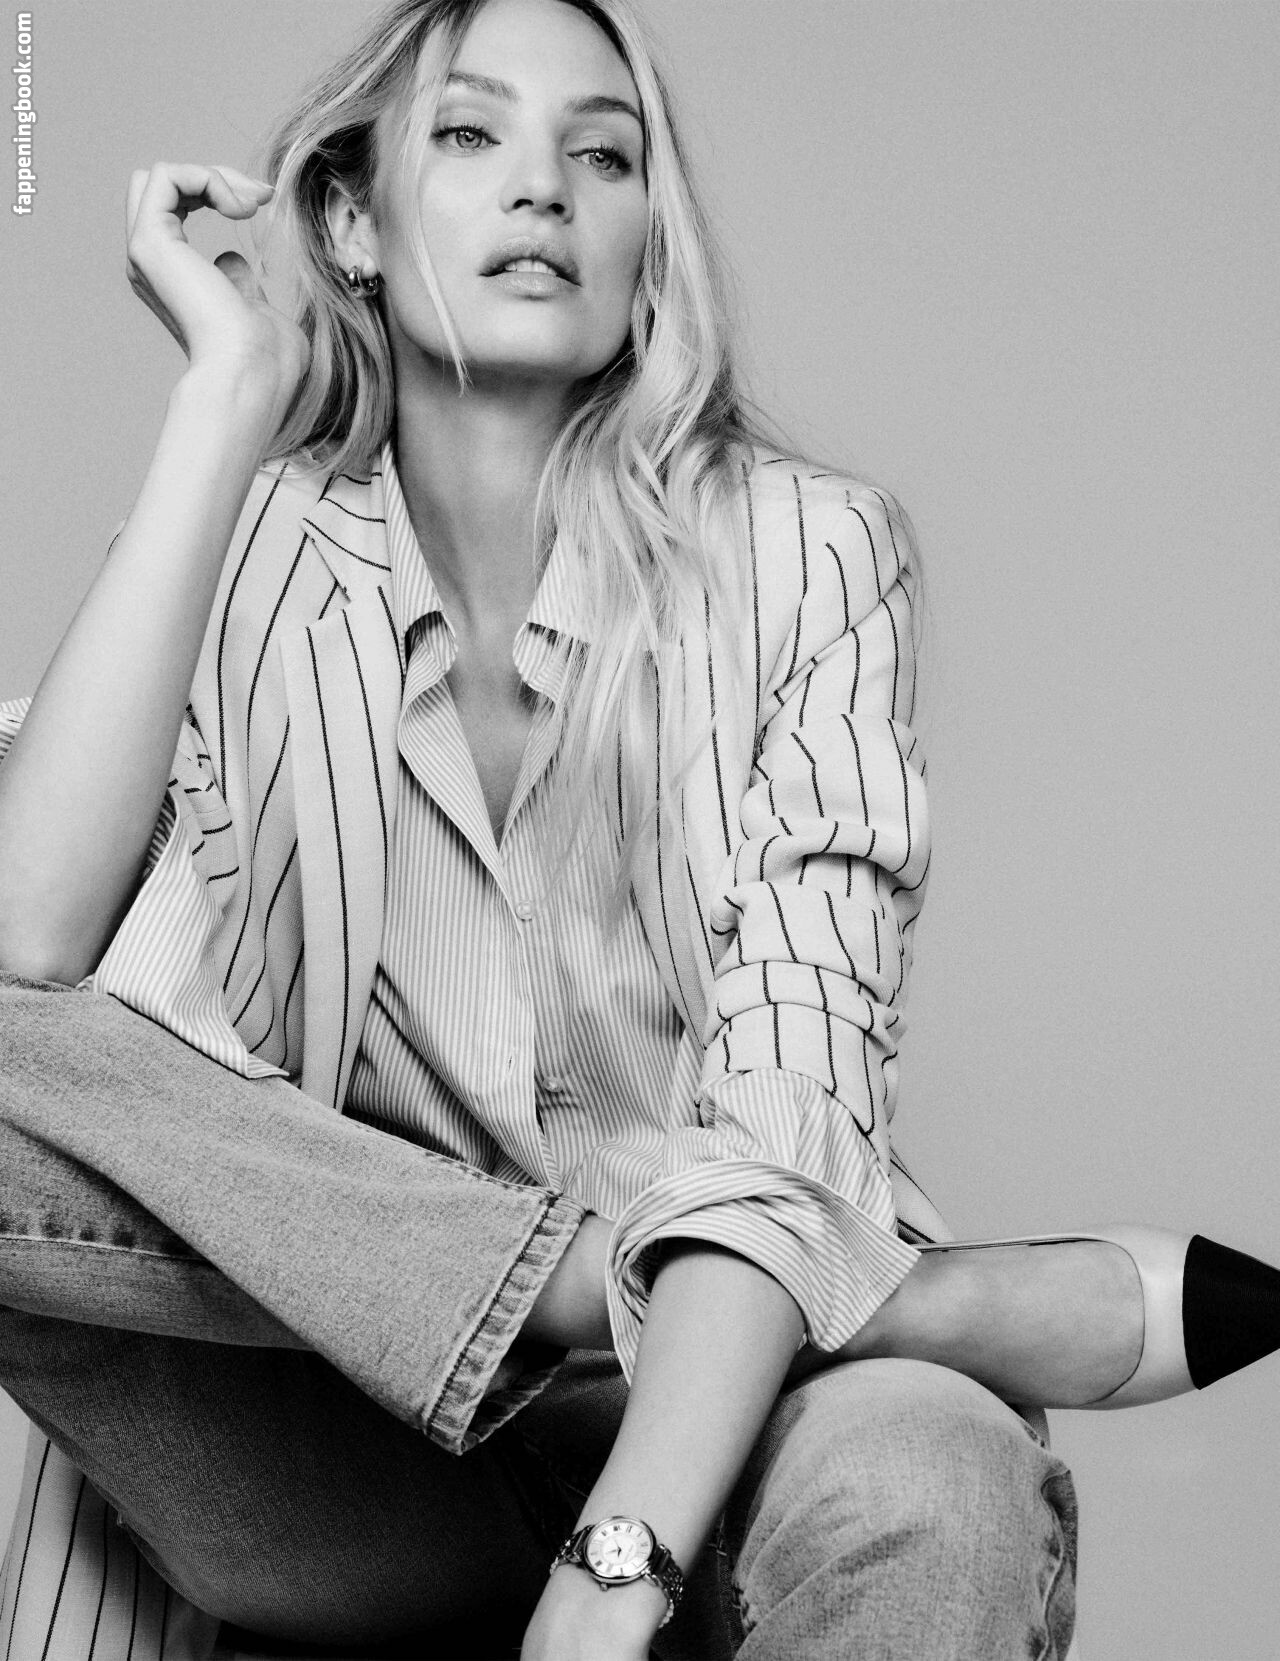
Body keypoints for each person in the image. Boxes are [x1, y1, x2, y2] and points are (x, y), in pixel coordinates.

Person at [2, 1, 1276, 1656]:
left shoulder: (808, 557)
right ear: (351, 222)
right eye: (471, 134)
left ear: (644, 244)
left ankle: (717, 1303)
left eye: (602, 156)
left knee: (937, 1476)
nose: (543, 186)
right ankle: (760, 1288)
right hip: (340, 1442)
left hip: (753, 1400)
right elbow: (27, 952)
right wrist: (226, 397)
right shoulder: (240, 558)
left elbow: (792, 1108)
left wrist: (621, 1557)